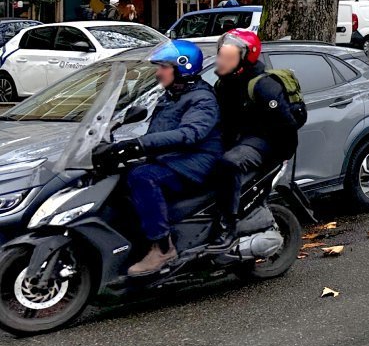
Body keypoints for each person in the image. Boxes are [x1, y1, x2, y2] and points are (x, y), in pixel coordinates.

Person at [100, 40, 222, 277]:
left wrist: (141, 145)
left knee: (143, 178)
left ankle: (163, 247)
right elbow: (159, 133)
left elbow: (191, 133)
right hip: (174, 158)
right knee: (121, 176)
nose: (158, 72)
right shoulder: (172, 95)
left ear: (182, 67)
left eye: (163, 67)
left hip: (197, 162)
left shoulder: (202, 98)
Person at [207, 29, 300, 247]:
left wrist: (280, 157)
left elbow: (286, 125)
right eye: (221, 55)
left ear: (245, 59)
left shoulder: (263, 85)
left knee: (229, 163)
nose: (221, 61)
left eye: (228, 57)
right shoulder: (223, 84)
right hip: (239, 139)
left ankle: (228, 224)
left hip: (265, 142)